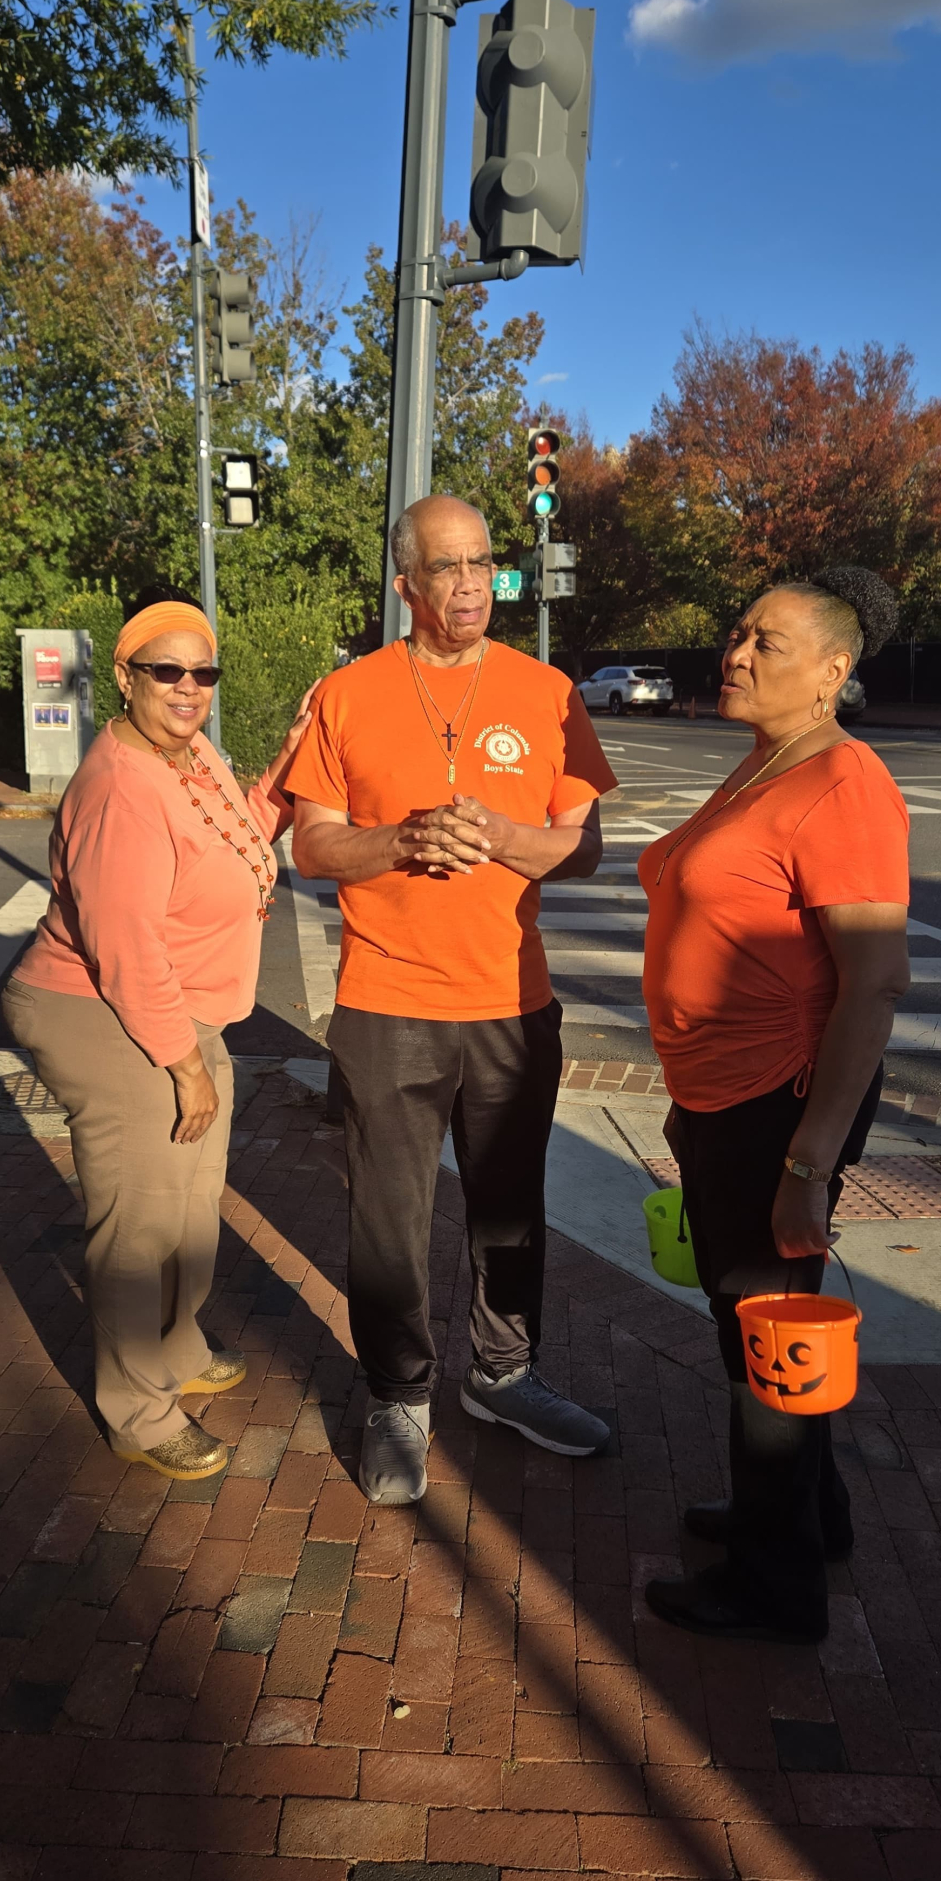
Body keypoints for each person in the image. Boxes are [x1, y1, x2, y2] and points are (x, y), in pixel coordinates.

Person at [286, 494, 620, 1505]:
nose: (472, 583)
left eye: (483, 563)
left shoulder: (547, 691)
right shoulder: (349, 694)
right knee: (388, 1219)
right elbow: (311, 845)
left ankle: (504, 1376)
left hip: (512, 1001)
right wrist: (403, 839)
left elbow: (585, 848)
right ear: (407, 585)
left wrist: (502, 837)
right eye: (446, 567)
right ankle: (398, 1396)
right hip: (386, 1001)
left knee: (509, 1209)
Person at [638, 567, 911, 1644]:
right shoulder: (767, 760)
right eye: (740, 633)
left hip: (780, 1102)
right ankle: (806, 1517)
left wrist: (807, 1165)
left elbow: (874, 982)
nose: (736, 654)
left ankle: (775, 1588)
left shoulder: (843, 782)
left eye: (768, 643)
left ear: (833, 671)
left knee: (766, 1340)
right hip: (725, 1095)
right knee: (759, 1325)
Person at [5, 598, 312, 1481]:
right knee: (139, 1223)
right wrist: (186, 1068)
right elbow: (125, 947)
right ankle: (137, 1412)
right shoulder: (120, 787)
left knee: (190, 1198)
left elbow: (243, 829)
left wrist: (294, 754)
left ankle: (176, 1348)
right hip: (104, 1012)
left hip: (178, 1009)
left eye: (202, 672)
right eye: (165, 670)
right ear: (126, 677)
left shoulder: (190, 753)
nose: (188, 687)